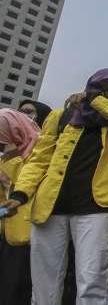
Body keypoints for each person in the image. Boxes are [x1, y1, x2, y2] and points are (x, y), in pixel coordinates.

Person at [0, 68, 108, 305]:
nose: (102, 94)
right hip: (51, 208)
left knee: (92, 283)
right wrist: (21, 194)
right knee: (44, 285)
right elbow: (39, 159)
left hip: (96, 209)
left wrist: (95, 99)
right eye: (97, 88)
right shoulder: (61, 116)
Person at [0, 109, 40, 305]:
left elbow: (26, 186)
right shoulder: (6, 157)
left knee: (17, 294)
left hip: (28, 239)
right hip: (7, 235)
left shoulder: (38, 155)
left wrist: (11, 157)